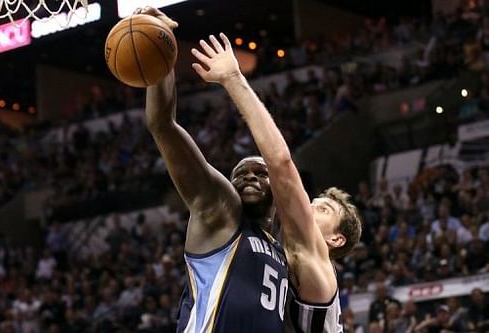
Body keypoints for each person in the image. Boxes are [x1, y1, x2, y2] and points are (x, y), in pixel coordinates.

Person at [191, 33, 362, 332]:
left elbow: (281, 164)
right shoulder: (280, 260)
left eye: (322, 210)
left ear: (335, 240)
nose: (308, 208)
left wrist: (233, 78)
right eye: (314, 202)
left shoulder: (314, 259)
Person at [141, 8, 288, 333]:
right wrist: (161, 55)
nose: (248, 176)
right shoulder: (222, 210)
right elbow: (162, 126)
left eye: (260, 173)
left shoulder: (285, 249)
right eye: (240, 173)